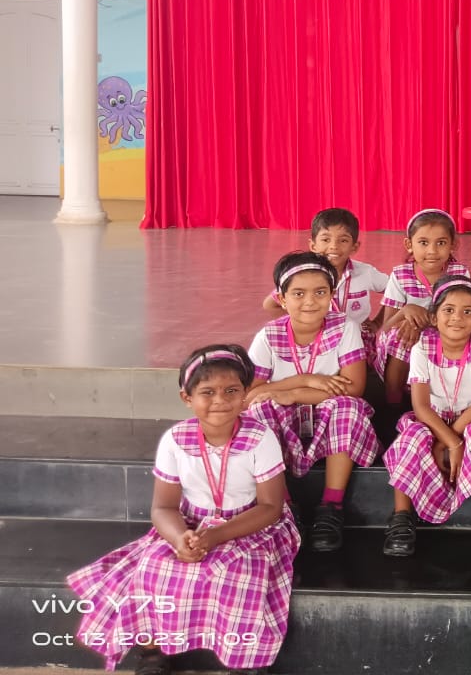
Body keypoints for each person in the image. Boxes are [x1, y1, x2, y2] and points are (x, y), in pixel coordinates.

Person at [68, 346, 299, 675]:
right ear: (186, 398)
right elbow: (163, 507)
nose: (220, 400)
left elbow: (270, 507)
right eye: (208, 392)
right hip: (190, 523)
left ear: (245, 394)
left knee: (236, 574)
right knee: (153, 568)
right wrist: (179, 538)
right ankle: (153, 652)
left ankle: (245, 659)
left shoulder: (260, 438)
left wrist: (217, 536)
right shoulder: (175, 440)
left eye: (231, 391)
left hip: (251, 524)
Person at [245, 251, 380, 552]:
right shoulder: (269, 335)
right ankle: (285, 506)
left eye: (320, 292)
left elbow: (354, 388)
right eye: (298, 294)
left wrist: (292, 394)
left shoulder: (344, 327)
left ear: (332, 295)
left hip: (327, 416)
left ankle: (331, 506)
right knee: (259, 409)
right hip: (287, 419)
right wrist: (306, 380)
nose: (310, 301)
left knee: (347, 407)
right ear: (282, 299)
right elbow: (250, 395)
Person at [382, 277, 471, 558]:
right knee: (412, 437)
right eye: (449, 310)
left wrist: (449, 439)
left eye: (467, 312)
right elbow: (421, 407)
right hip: (431, 418)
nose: (457, 318)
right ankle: (401, 517)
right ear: (433, 317)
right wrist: (451, 442)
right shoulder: (421, 348)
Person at [262, 208, 388, 360]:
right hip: (318, 340)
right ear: (313, 245)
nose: (334, 246)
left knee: (360, 373)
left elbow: (395, 291)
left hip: (358, 340)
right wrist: (302, 322)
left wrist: (377, 322)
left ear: (354, 247)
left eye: (343, 240)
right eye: (326, 240)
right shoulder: (303, 276)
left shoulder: (366, 272)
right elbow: (270, 304)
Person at [376, 208, 471, 403]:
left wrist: (424, 321)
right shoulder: (400, 275)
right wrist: (406, 311)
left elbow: (462, 317)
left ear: (453, 244)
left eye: (441, 243)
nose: (432, 251)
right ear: (409, 244)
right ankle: (393, 401)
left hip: (445, 331)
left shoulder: (460, 273)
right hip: (407, 337)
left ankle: (439, 402)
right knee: (401, 335)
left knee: (431, 337)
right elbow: (386, 326)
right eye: (423, 243)